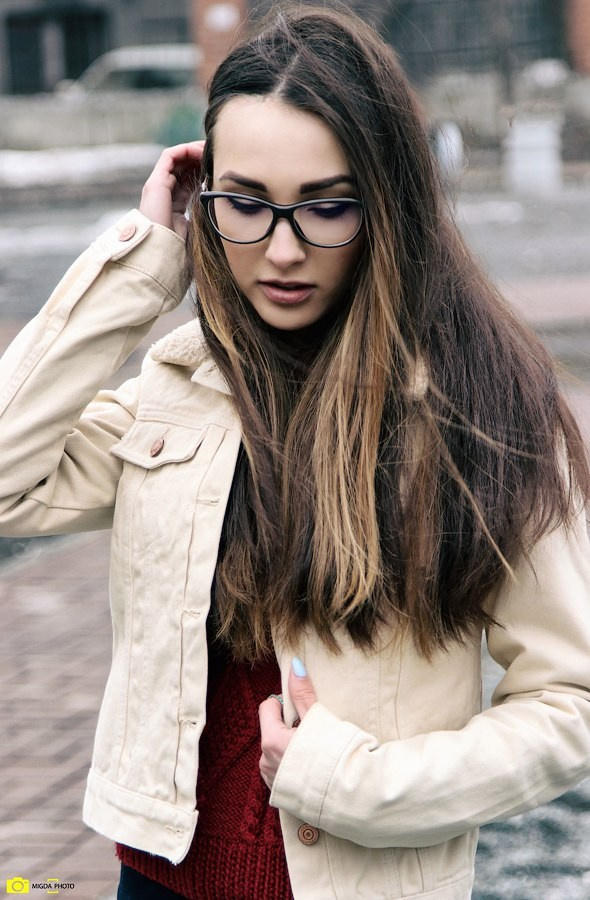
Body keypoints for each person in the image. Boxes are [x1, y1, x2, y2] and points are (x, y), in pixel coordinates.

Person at [0, 5, 589, 899]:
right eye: (245, 204)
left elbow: (569, 700)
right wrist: (140, 265)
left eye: (327, 207)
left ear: (387, 205)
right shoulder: (184, 390)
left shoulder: (481, 410)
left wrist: (354, 783)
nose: (281, 251)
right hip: (156, 882)